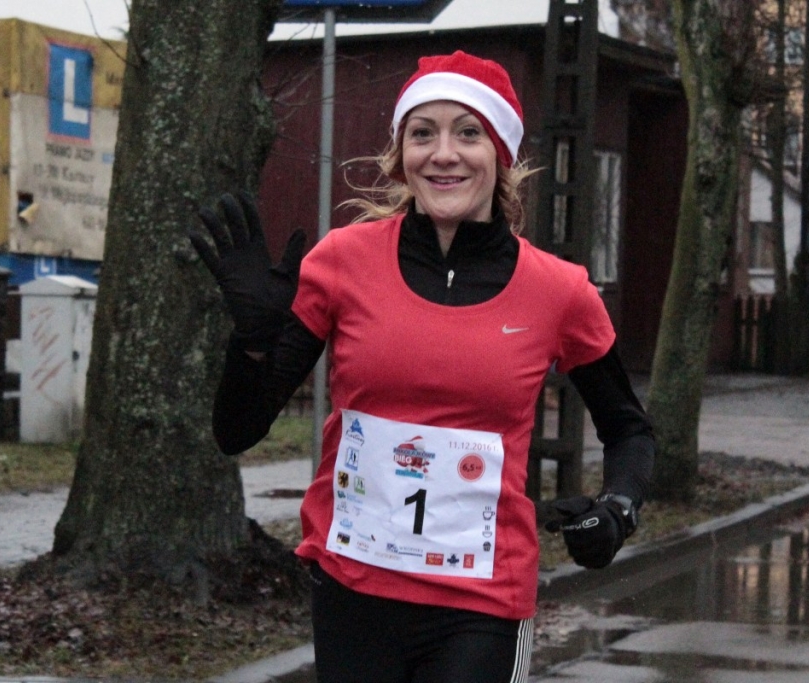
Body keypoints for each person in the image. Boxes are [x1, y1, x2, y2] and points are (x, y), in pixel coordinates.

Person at [190, 50, 654, 683]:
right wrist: (250, 342)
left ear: (501, 154)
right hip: (355, 588)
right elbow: (236, 430)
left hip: (481, 603)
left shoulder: (559, 291)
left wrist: (618, 508)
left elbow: (629, 429)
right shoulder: (343, 261)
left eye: (468, 133)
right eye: (422, 133)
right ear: (400, 154)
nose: (443, 154)